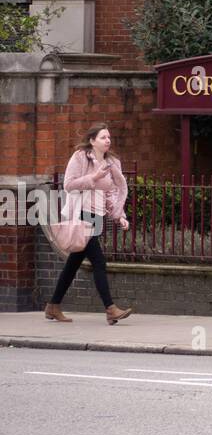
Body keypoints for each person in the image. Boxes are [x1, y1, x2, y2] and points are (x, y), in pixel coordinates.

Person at [45, 124, 135, 325]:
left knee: (73, 263)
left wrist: (119, 215)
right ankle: (110, 309)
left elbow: (112, 192)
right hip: (82, 214)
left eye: (109, 137)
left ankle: (53, 306)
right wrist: (93, 177)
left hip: (97, 216)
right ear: (92, 140)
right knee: (99, 262)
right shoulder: (80, 157)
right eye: (103, 137)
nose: (108, 140)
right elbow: (68, 184)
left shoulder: (112, 163)